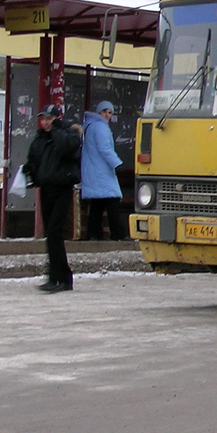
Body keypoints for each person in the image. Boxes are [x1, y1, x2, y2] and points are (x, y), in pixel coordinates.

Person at [23, 104, 83, 292]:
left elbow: (67, 148)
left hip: (63, 189)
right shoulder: (40, 139)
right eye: (43, 119)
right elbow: (34, 160)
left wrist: (56, 129)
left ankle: (62, 279)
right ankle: (56, 277)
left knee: (55, 230)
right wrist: (30, 170)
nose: (45, 122)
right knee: (51, 233)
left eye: (49, 118)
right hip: (46, 189)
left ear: (57, 118)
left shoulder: (69, 134)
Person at [81, 101, 128, 241]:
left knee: (97, 204)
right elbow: (105, 149)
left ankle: (94, 234)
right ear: (99, 112)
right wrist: (117, 164)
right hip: (102, 171)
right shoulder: (101, 127)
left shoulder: (90, 126)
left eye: (110, 112)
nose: (107, 115)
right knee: (112, 201)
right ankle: (118, 233)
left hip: (92, 170)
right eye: (104, 112)